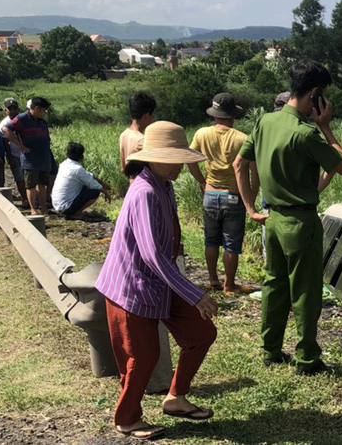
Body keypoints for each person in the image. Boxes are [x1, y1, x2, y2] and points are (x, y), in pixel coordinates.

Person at [95, 121, 218, 440]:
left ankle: (176, 398)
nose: (179, 165)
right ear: (152, 157)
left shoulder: (164, 184)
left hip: (161, 280)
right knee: (142, 356)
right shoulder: (144, 191)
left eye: (182, 158)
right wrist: (195, 294)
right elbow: (150, 254)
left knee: (201, 331)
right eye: (173, 158)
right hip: (130, 286)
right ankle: (127, 418)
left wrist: (186, 289)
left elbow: (163, 249)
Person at [233, 59, 342, 375]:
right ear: (315, 94)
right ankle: (307, 359)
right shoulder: (308, 133)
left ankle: (270, 350)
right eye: (323, 94)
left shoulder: (264, 122)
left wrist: (249, 207)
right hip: (300, 223)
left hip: (271, 219)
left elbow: (238, 165)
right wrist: (326, 125)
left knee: (274, 285)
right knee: (305, 290)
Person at [187, 93, 255, 292]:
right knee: (231, 244)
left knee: (211, 240)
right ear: (233, 115)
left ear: (214, 114)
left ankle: (213, 279)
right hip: (234, 196)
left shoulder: (201, 134)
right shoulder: (242, 138)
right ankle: (229, 284)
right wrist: (250, 194)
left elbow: (191, 160)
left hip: (210, 194)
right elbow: (253, 170)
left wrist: (202, 182)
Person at [3, 97, 53, 215]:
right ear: (36, 108)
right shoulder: (22, 118)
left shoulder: (42, 121)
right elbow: (6, 129)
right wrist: (19, 145)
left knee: (42, 184)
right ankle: (33, 209)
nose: (44, 113)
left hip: (43, 157)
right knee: (31, 184)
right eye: (43, 110)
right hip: (30, 158)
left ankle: (43, 208)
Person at [51, 142, 111, 219]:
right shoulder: (77, 169)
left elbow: (88, 176)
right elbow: (92, 184)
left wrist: (102, 183)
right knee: (95, 192)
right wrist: (105, 192)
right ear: (82, 156)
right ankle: (76, 214)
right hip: (65, 207)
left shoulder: (64, 164)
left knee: (86, 185)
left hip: (56, 204)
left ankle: (74, 211)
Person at [0, 98, 29, 206]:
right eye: (9, 109)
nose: (12, 111)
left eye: (14, 108)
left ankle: (32, 198)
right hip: (14, 153)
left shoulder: (24, 119)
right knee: (19, 177)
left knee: (29, 177)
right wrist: (10, 156)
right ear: (6, 110)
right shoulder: (4, 124)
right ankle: (25, 198)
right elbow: (5, 142)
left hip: (26, 153)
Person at [119, 92, 156, 175]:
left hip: (132, 185)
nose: (152, 119)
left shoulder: (124, 134)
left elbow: (123, 168)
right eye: (152, 115)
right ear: (146, 115)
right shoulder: (142, 140)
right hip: (144, 184)